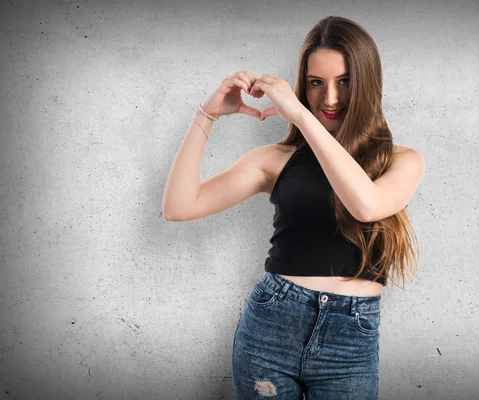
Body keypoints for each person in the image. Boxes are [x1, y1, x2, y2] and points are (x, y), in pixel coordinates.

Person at [163, 15, 425, 400]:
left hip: (350, 341)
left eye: (345, 81)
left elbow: (366, 206)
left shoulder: (400, 161)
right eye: (316, 83)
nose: (330, 98)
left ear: (368, 83)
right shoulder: (275, 159)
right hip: (272, 325)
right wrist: (207, 114)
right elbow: (179, 206)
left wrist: (300, 115)